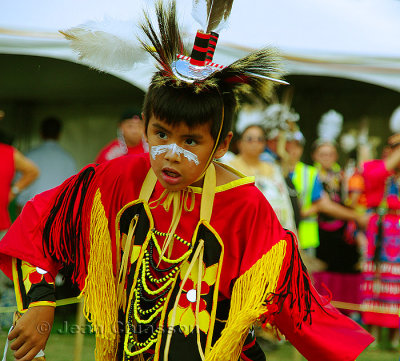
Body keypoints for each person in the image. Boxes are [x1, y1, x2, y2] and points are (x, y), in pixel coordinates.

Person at [0, 2, 373, 361]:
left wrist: (340, 345)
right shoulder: (120, 178)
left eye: (191, 141)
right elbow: (40, 224)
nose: (172, 153)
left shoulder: (244, 204)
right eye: (161, 135)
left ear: (222, 144)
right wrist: (41, 301)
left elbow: (292, 297)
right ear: (144, 125)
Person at [286, 132, 368, 255]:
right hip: (311, 231)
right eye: (323, 154)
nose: (327, 158)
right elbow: (323, 204)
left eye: (331, 154)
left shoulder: (340, 175)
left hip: (321, 234)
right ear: (314, 155)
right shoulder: (312, 173)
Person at [360, 133, 400, 348]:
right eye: (396, 146)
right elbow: (374, 178)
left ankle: (395, 336)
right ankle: (373, 331)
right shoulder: (376, 168)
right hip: (381, 232)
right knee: (377, 278)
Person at [228, 124, 296, 233]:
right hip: (242, 230)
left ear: (264, 144)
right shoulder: (228, 168)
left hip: (273, 231)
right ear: (240, 143)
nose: (255, 143)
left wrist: (291, 233)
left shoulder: (273, 169)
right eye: (250, 139)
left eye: (259, 139)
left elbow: (285, 204)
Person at [16, 117, 78, 208]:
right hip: (57, 214)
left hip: (32, 212)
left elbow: (20, 188)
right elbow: (73, 190)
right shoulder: (68, 159)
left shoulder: (28, 156)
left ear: (41, 133)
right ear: (59, 135)